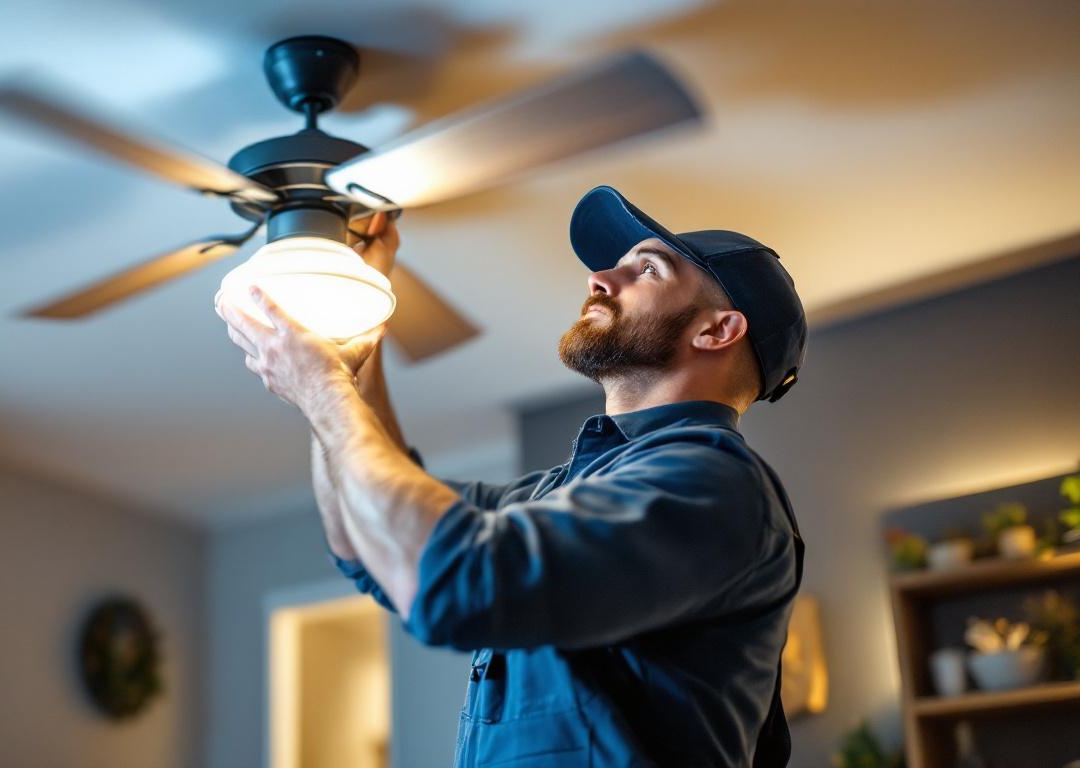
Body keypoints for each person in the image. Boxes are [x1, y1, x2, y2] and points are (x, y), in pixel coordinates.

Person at [216, 185, 808, 767]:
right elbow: (369, 534)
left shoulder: (713, 486)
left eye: (647, 271)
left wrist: (323, 390)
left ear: (717, 331)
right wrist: (344, 360)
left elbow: (448, 576)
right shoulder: (555, 494)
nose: (600, 279)